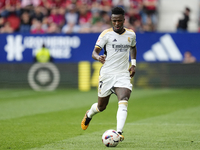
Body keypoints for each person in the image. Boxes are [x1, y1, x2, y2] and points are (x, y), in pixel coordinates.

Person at [81, 7, 137, 142]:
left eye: (119, 21)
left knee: (124, 100)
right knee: (101, 107)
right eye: (114, 21)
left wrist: (133, 64)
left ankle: (119, 132)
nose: (116, 23)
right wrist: (98, 57)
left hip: (123, 74)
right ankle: (89, 114)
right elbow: (94, 52)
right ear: (111, 20)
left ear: (124, 20)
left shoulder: (131, 34)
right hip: (107, 74)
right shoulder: (106, 34)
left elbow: (133, 47)